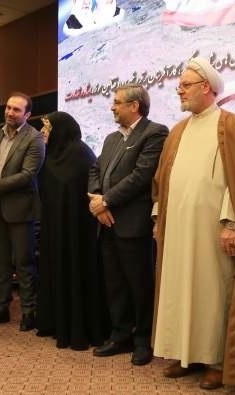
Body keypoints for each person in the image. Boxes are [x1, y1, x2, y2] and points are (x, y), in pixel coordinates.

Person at [152, 57, 235, 389]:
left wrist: (232, 224)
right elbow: (162, 181)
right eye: (179, 85)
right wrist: (158, 217)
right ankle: (185, 354)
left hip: (214, 230)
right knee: (180, 288)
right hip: (177, 228)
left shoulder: (233, 126)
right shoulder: (177, 131)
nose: (179, 90)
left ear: (207, 88)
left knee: (213, 291)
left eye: (185, 85)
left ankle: (216, 361)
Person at [87, 84, 168, 366]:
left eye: (117, 102)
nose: (112, 107)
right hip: (107, 222)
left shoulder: (155, 132)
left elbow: (141, 176)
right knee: (115, 283)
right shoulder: (111, 138)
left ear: (134, 106)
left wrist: (106, 201)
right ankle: (120, 335)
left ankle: (143, 340)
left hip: (134, 224)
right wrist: (97, 200)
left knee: (139, 284)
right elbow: (95, 169)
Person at [35, 111, 109, 350]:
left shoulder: (80, 154)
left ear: (61, 130)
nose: (43, 132)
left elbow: (85, 192)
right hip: (54, 227)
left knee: (77, 270)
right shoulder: (52, 155)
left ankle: (79, 326)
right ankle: (56, 321)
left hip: (78, 231)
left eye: (47, 127)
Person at [0, 92, 45, 332]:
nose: (10, 113)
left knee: (24, 263)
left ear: (28, 114)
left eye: (16, 110)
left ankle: (29, 311)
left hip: (21, 210)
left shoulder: (34, 138)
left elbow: (28, 175)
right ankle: (1, 308)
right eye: (8, 108)